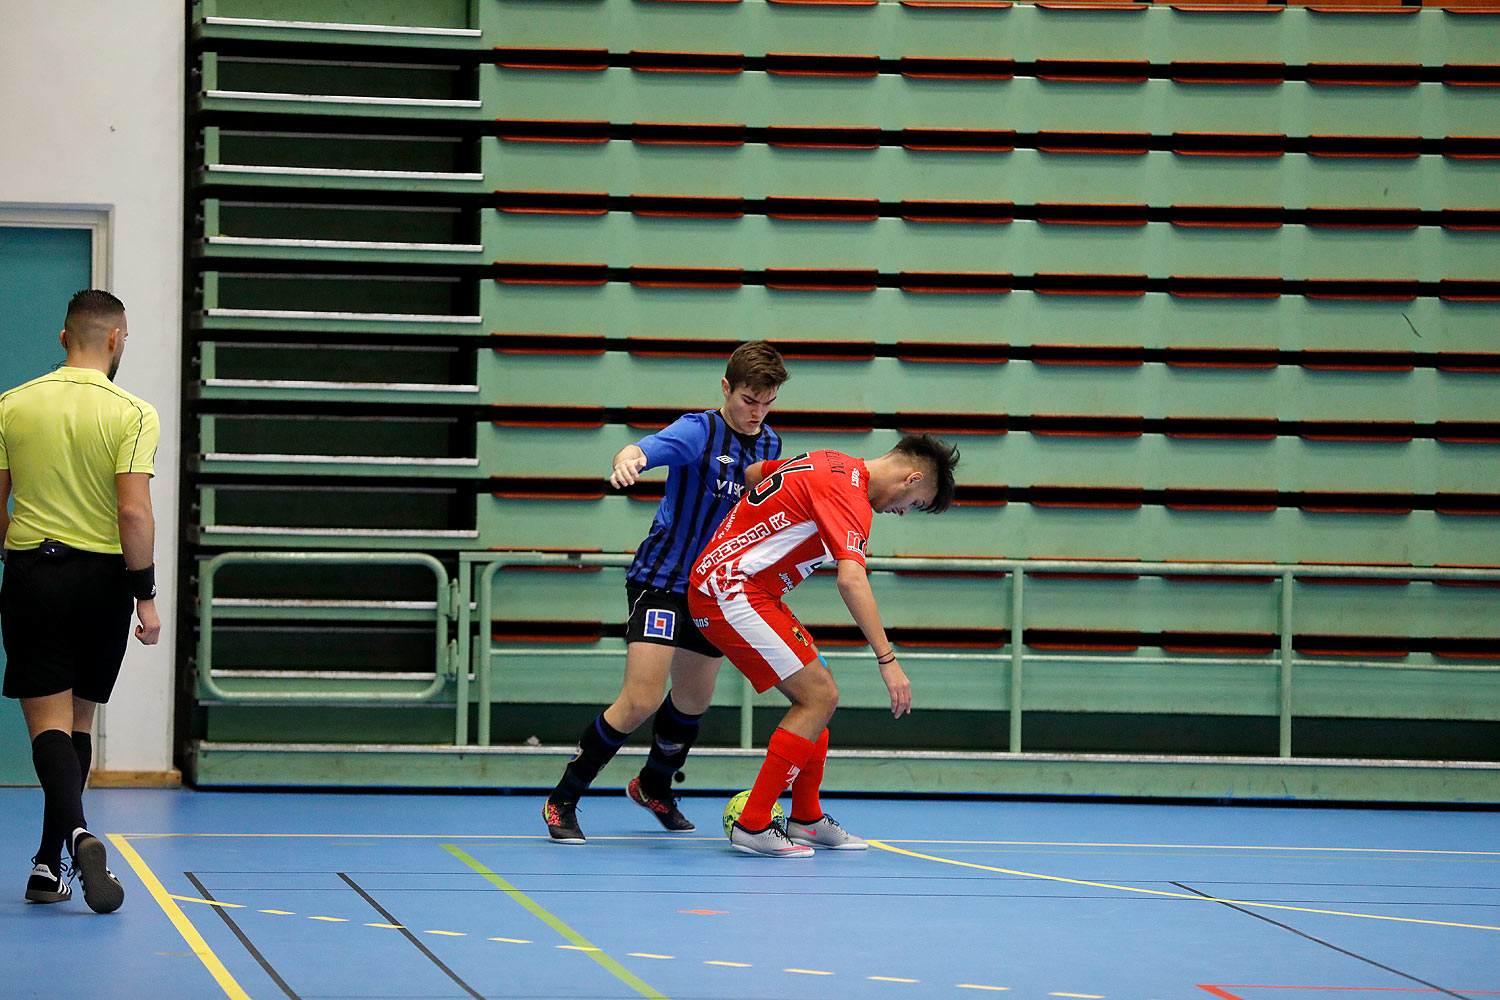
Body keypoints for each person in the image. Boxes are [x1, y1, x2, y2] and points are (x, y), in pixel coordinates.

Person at [543, 341, 789, 843]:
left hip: (711, 589)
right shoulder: (698, 431)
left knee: (694, 700)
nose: (757, 413)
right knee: (641, 699)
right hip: (661, 580)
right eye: (748, 400)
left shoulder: (769, 445)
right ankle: (563, 798)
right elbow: (644, 447)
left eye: (767, 402)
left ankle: (653, 784)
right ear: (726, 388)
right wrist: (627, 458)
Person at [687, 434, 959, 857]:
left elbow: (754, 473)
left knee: (822, 690)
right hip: (730, 589)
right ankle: (754, 823)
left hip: (744, 587)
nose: (903, 511)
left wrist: (753, 527)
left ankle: (807, 819)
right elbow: (851, 580)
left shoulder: (829, 461)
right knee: (818, 696)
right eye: (916, 502)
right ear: (912, 478)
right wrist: (888, 661)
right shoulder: (851, 496)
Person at [0, 289, 161, 912]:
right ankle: (50, 862)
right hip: (103, 582)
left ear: (63, 338)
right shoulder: (134, 412)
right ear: (116, 340)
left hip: (33, 573)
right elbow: (132, 511)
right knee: (80, 723)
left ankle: (67, 842)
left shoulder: (13, 405)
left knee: (47, 727)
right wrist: (143, 595)